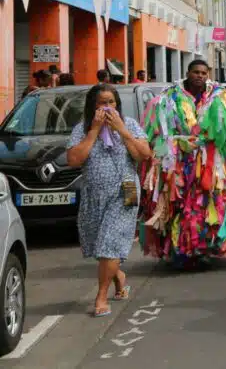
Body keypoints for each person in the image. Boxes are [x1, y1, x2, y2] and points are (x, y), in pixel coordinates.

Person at [140, 60, 226, 266]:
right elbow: (159, 134)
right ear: (187, 73)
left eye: (203, 72)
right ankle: (183, 247)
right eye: (195, 72)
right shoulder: (169, 97)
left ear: (208, 75)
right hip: (179, 162)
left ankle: (204, 246)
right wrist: (178, 142)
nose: (199, 76)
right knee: (181, 204)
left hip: (212, 162)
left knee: (209, 202)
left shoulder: (222, 97)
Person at [67, 84, 153, 317]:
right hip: (94, 195)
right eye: (101, 103)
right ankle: (118, 276)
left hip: (125, 192)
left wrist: (122, 131)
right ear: (92, 106)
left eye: (111, 102)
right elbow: (74, 160)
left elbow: (144, 155)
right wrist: (94, 131)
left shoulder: (130, 125)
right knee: (98, 245)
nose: (107, 108)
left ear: (117, 104)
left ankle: (101, 297)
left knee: (110, 244)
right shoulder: (82, 129)